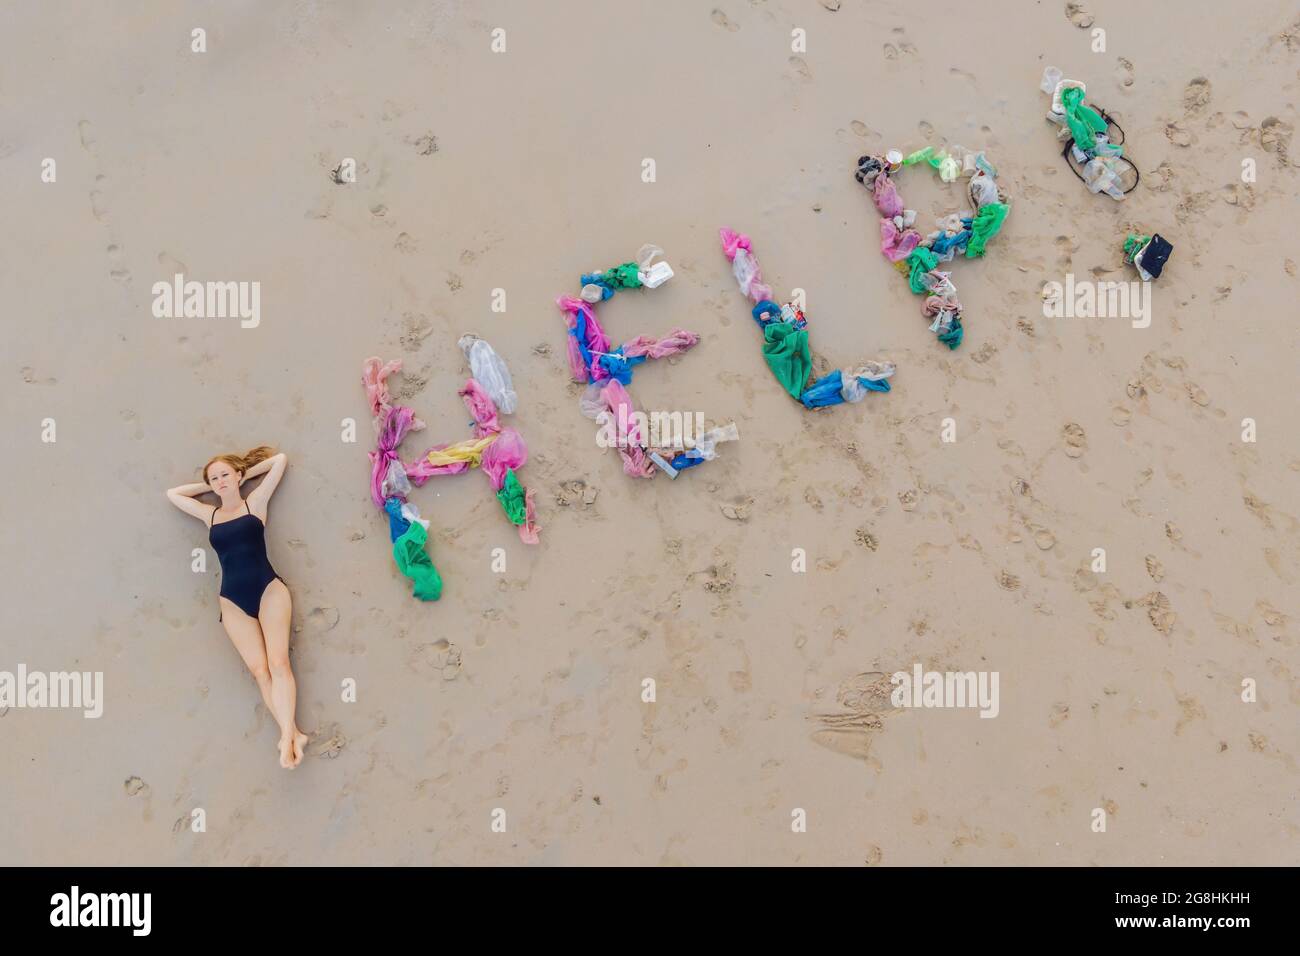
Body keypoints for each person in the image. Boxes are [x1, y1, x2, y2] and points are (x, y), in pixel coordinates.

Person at [166, 447, 308, 768]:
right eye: (214, 478)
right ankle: (292, 733)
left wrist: (242, 472)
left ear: (239, 476)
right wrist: (209, 487)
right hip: (231, 599)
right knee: (260, 672)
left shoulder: (254, 503)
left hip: (269, 589)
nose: (220, 481)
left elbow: (279, 461)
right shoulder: (209, 514)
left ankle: (287, 736)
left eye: (225, 475)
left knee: (279, 663)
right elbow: (173, 494)